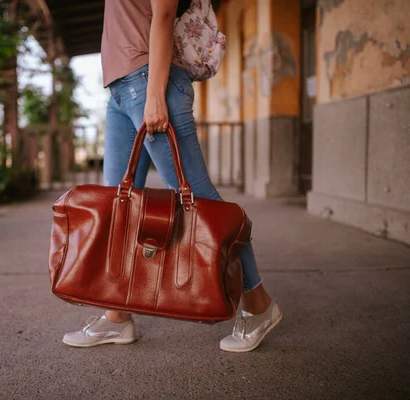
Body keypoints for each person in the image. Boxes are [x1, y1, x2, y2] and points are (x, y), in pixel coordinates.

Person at [62, 0, 282, 352]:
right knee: (119, 205)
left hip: (150, 83)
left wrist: (154, 96)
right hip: (121, 90)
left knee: (201, 202)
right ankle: (117, 317)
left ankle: (259, 305)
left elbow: (163, 15)